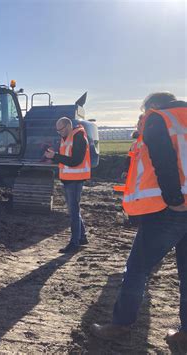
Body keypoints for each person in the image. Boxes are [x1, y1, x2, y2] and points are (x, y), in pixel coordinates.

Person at [90, 92, 187, 350]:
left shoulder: (159, 119)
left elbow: (164, 161)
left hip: (171, 209)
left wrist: (174, 199)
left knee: (137, 268)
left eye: (144, 112)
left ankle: (120, 324)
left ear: (153, 106)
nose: (143, 118)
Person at [44, 117, 91, 253]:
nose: (59, 133)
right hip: (69, 179)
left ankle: (74, 243)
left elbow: (75, 160)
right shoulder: (68, 137)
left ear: (68, 126)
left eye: (61, 129)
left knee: (73, 212)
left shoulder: (78, 137)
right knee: (74, 210)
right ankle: (82, 237)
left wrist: (55, 156)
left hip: (75, 180)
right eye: (57, 130)